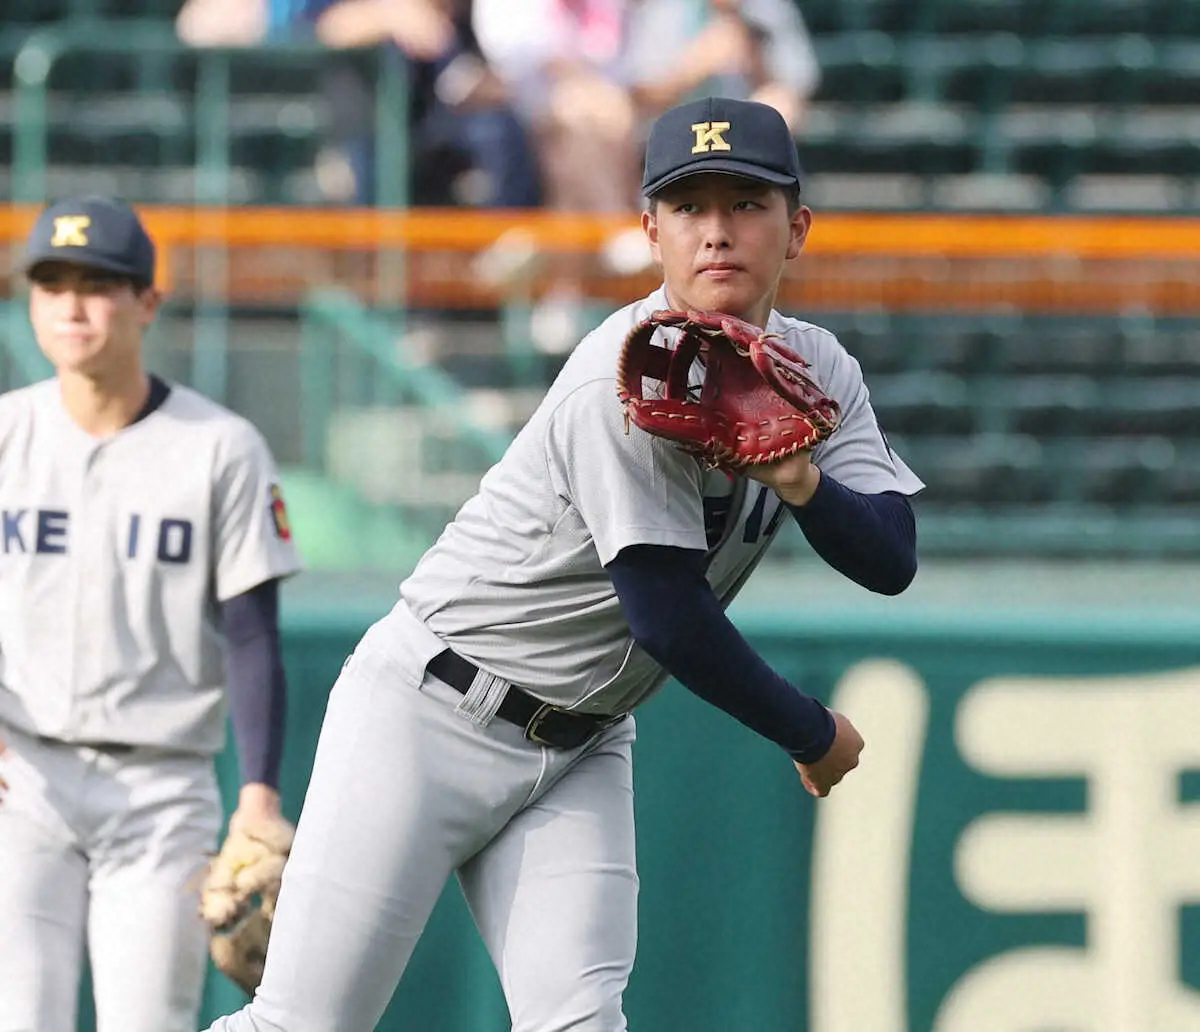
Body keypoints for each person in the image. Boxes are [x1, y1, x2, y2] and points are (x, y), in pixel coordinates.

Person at [205, 95, 923, 1032]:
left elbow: (891, 556)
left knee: (580, 1024)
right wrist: (809, 730)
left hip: (582, 741)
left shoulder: (819, 367)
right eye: (689, 207)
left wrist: (799, 479)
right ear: (649, 232)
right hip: (427, 714)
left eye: (746, 204)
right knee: (301, 1023)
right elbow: (666, 615)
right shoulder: (619, 377)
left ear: (798, 229)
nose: (717, 232)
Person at [0, 196, 303, 1032]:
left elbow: (252, 635)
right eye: (51, 283)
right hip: (22, 780)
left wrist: (258, 796)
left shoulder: (219, 447)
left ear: (147, 303)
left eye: (98, 284)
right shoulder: (7, 433)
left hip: (160, 790)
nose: (71, 305)